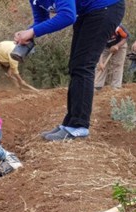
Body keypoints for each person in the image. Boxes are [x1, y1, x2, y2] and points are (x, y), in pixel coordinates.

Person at [14, 0, 125, 141]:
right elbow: (41, 20)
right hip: (88, 13)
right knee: (76, 66)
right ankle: (70, 123)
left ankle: (79, 126)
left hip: (106, 8)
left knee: (83, 66)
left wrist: (32, 31)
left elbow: (68, 16)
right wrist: (26, 33)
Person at [94, 24, 129, 90]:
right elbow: (98, 48)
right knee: (99, 65)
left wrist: (117, 46)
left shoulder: (118, 27)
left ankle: (116, 86)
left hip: (120, 44)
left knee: (118, 64)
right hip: (105, 47)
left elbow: (126, 37)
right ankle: (97, 86)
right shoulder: (99, 32)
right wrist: (101, 62)